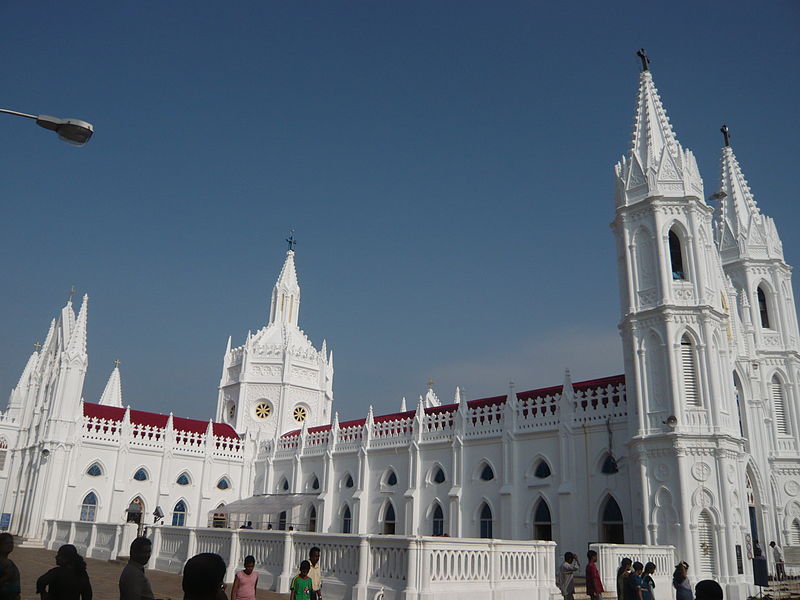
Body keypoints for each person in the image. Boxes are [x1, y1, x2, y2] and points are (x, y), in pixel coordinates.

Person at [0, 533, 20, 600]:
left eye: (11, 543)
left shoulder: (10, 562)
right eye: (6, 543)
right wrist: (6, 577)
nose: (10, 545)